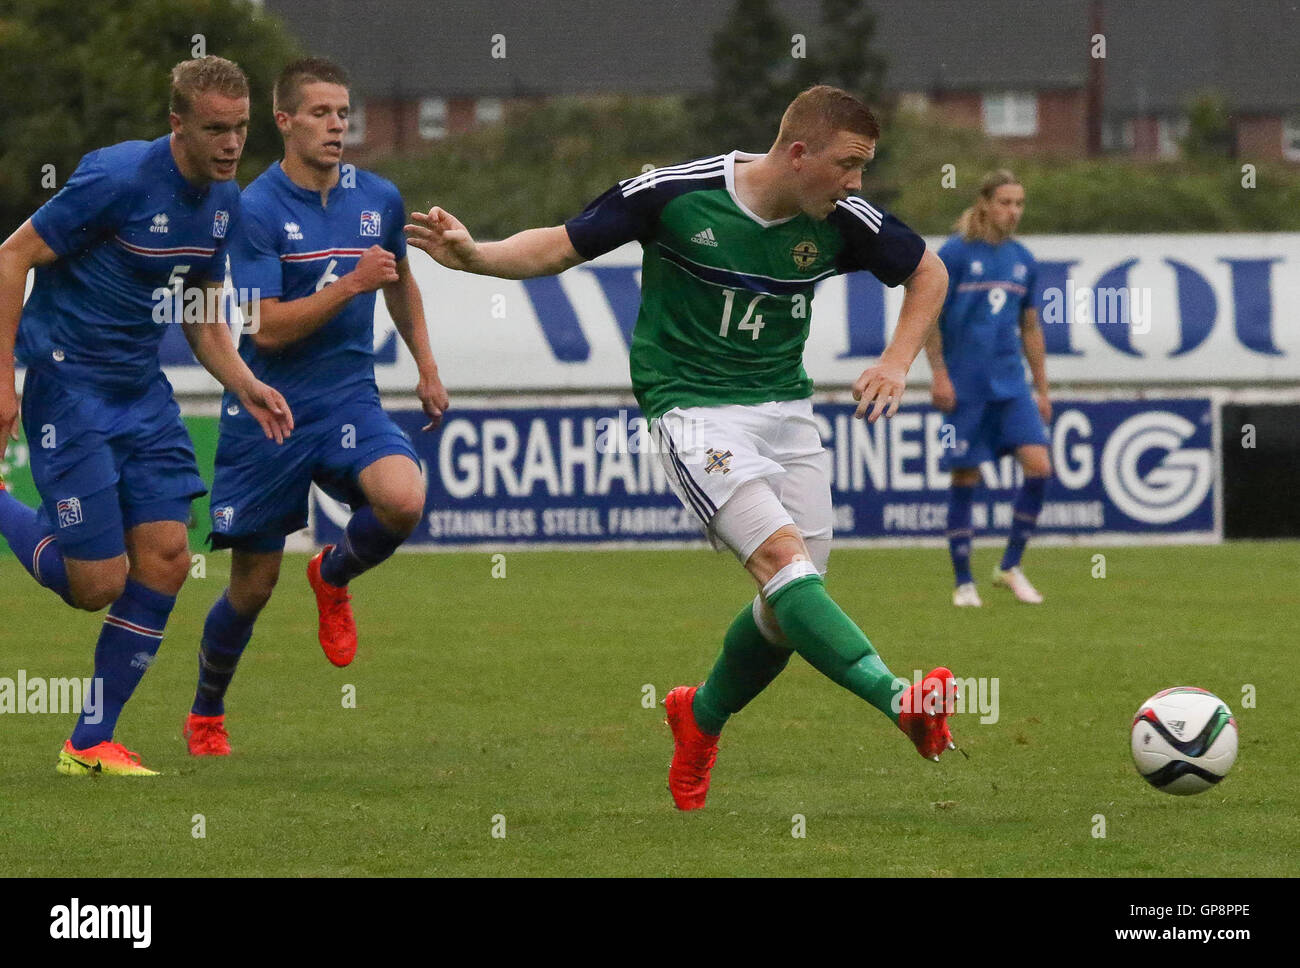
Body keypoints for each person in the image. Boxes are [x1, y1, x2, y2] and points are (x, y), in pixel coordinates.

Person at [406, 84, 959, 811]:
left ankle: (698, 717)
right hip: (693, 412)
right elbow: (560, 245)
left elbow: (929, 271)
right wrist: (475, 256)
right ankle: (899, 699)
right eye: (849, 164)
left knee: (791, 608)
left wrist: (896, 360)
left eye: (865, 168)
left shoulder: (842, 220)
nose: (858, 183)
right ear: (799, 153)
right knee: (785, 570)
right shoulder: (673, 195)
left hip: (787, 413)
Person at [0, 57, 293, 776]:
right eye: (216, 130)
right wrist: (2, 379)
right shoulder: (119, 177)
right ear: (177, 125)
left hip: (142, 390)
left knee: (165, 560)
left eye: (242, 129)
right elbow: (12, 257)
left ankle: (89, 742)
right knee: (94, 584)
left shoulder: (227, 205)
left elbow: (200, 317)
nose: (232, 145)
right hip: (69, 386)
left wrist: (246, 381)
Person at [182, 58, 448, 756]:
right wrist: (351, 284)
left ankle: (332, 574)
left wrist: (426, 365)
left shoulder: (379, 198)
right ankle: (207, 711)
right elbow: (263, 327)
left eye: (344, 112)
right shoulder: (251, 208)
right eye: (323, 113)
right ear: (285, 119)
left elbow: (400, 283)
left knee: (403, 500)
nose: (338, 126)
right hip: (268, 406)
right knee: (252, 587)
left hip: (346, 399)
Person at [926, 170, 1052, 607]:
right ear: (984, 203)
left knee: (1039, 466)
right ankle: (964, 581)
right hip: (965, 387)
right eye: (1005, 202)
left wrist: (1042, 389)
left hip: (1011, 386)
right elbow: (929, 319)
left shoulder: (1024, 260)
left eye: (1019, 203)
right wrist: (939, 375)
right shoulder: (955, 253)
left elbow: (1030, 327)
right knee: (966, 474)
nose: (1013, 211)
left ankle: (1009, 565)